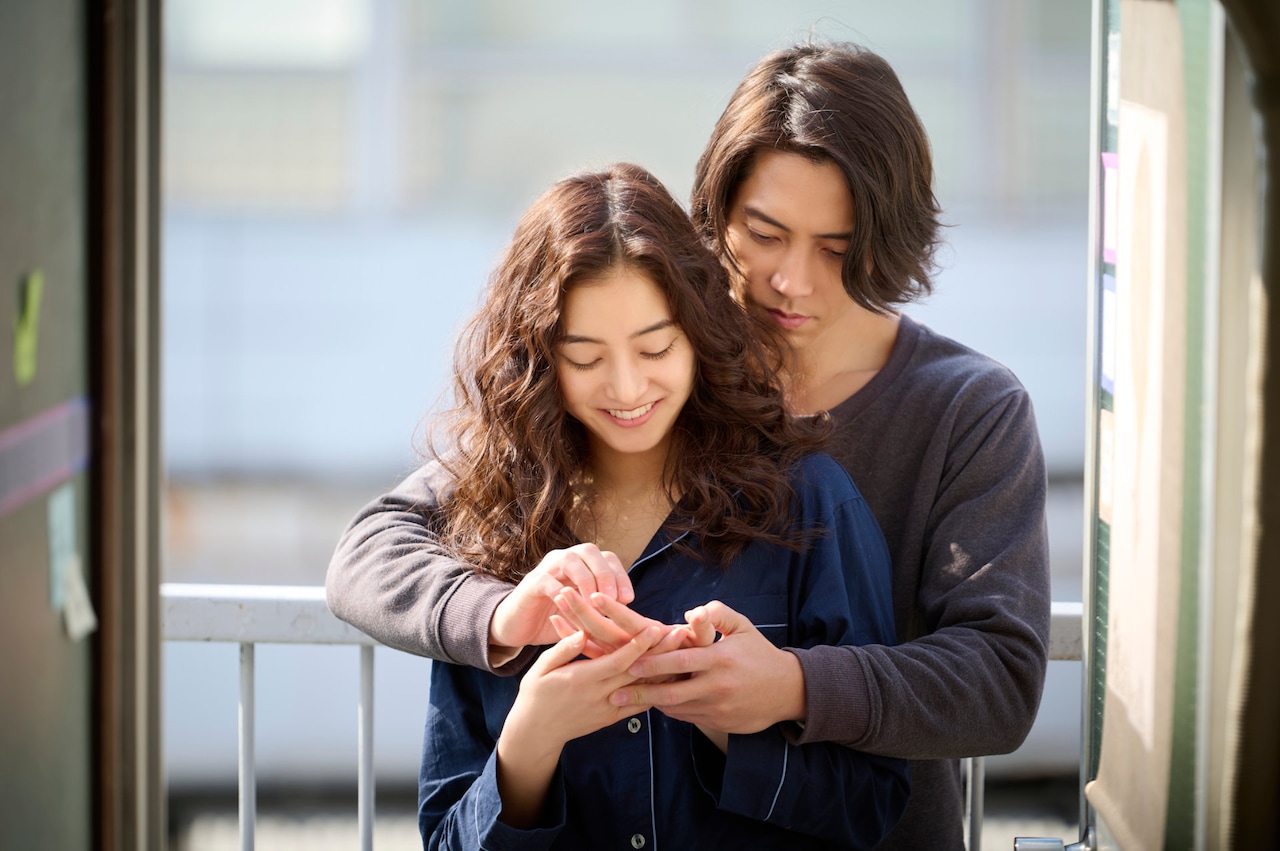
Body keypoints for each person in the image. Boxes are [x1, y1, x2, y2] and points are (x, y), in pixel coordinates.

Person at [327, 42, 1050, 850]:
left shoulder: (964, 410)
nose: (793, 280)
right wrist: (502, 620)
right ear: (719, 214)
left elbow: (1001, 679)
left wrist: (789, 684)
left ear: (892, 234)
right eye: (765, 233)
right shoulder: (645, 370)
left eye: (838, 249)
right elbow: (378, 545)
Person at [411, 162, 907, 849]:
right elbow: (444, 838)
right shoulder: (494, 525)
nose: (625, 386)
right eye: (585, 357)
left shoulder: (808, 502)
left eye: (655, 347)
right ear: (538, 360)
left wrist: (729, 717)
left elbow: (872, 805)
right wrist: (532, 734)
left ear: (699, 333)